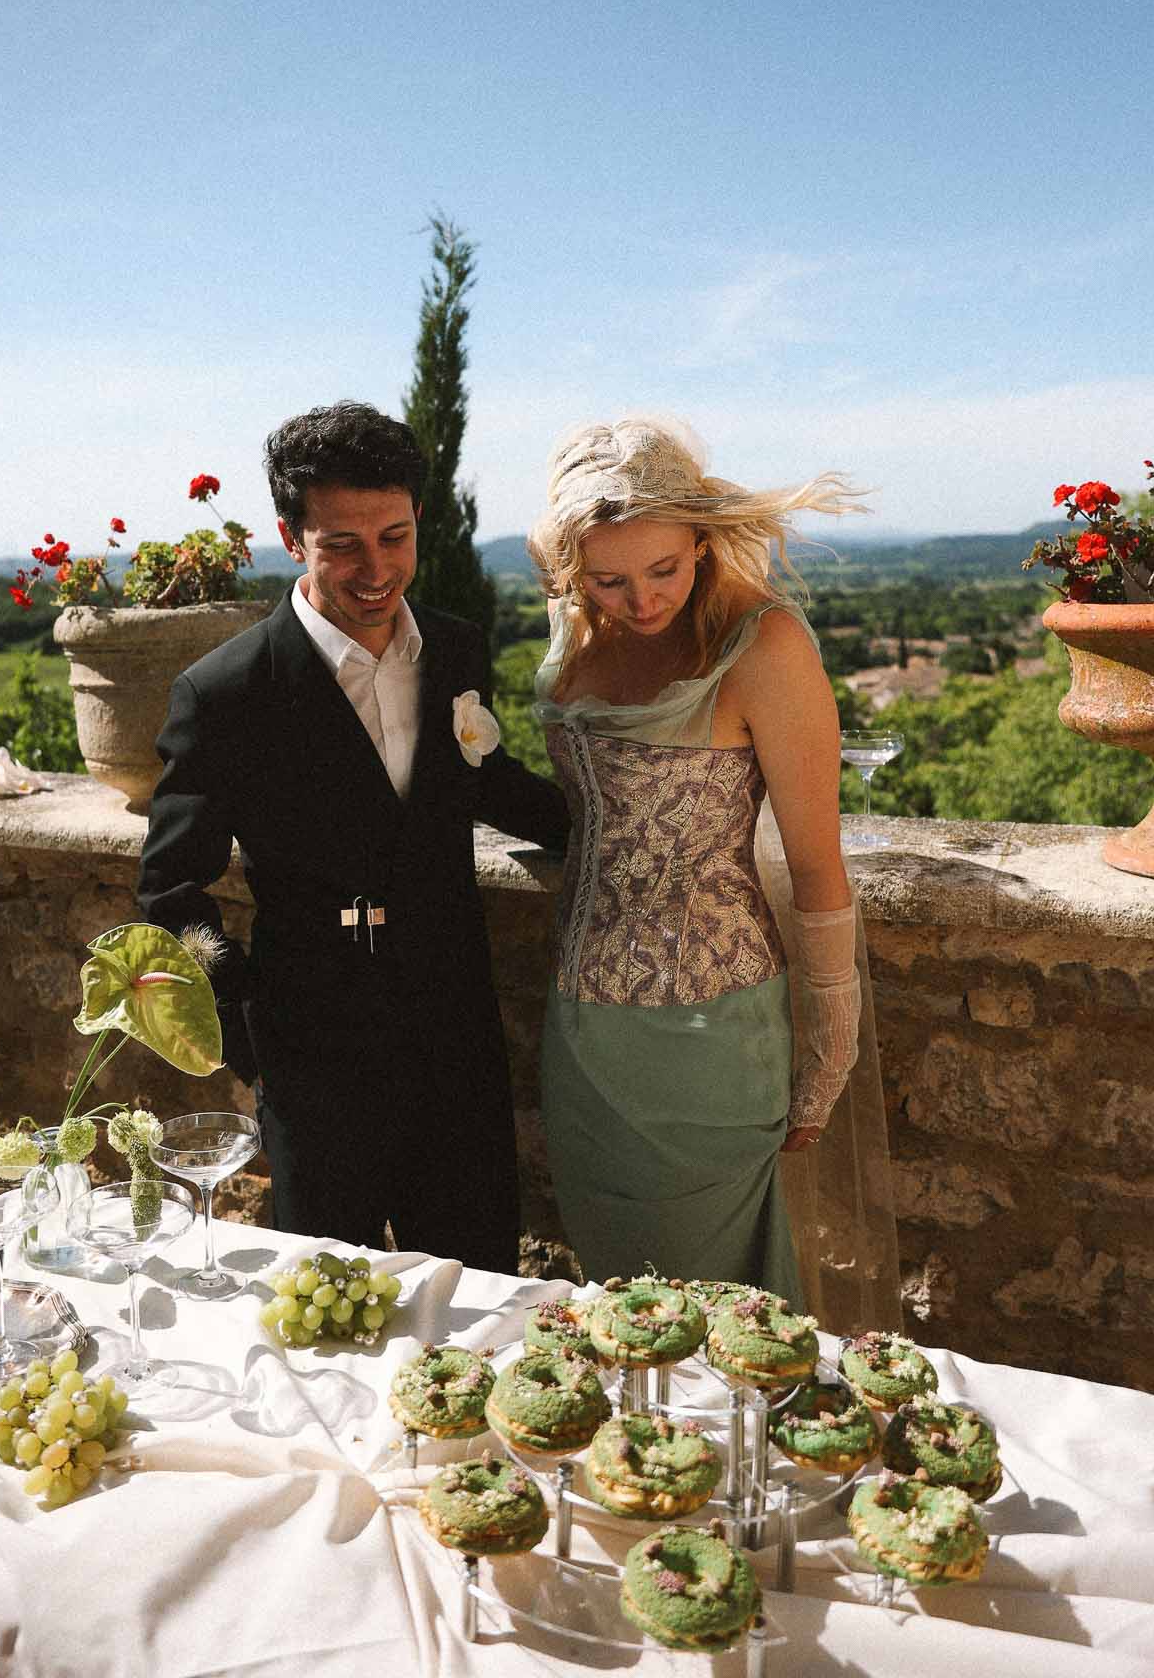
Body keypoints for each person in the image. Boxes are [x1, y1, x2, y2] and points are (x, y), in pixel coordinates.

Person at [137, 401, 568, 1274]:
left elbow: (480, 776)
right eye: (343, 544)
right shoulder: (224, 692)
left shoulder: (454, 648)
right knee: (330, 1312)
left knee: (479, 1289)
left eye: (395, 537)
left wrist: (615, 821)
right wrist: (250, 1037)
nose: (376, 570)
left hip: (455, 1044)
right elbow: (171, 891)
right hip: (314, 1064)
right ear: (292, 538)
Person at [528, 415, 889, 1308]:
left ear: (699, 538)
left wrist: (827, 1059)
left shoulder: (764, 645)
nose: (641, 600)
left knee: (712, 1314)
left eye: (663, 569)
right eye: (609, 580)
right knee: (616, 1308)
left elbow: (816, 869)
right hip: (578, 1034)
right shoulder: (575, 634)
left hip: (712, 1044)